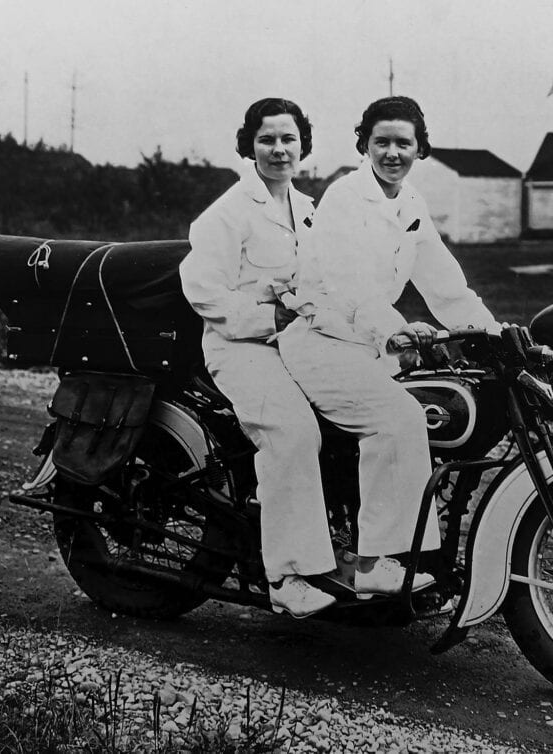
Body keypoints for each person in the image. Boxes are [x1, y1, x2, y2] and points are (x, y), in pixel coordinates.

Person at [278, 95, 501, 595]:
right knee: (398, 420)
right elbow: (348, 284)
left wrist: (490, 331)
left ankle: (383, 544)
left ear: (421, 148)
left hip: (368, 344)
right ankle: (374, 562)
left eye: (404, 142)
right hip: (322, 340)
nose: (393, 152)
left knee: (431, 412)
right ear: (365, 144)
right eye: (382, 142)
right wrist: (396, 329)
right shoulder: (344, 197)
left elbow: (444, 281)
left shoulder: (411, 202)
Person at [179, 98, 337, 619]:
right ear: (249, 145)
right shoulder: (227, 213)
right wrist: (271, 319)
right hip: (240, 346)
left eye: (289, 139)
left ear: (303, 145)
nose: (279, 149)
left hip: (301, 343)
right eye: (267, 139)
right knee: (292, 430)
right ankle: (287, 577)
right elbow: (204, 291)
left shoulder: (312, 211)